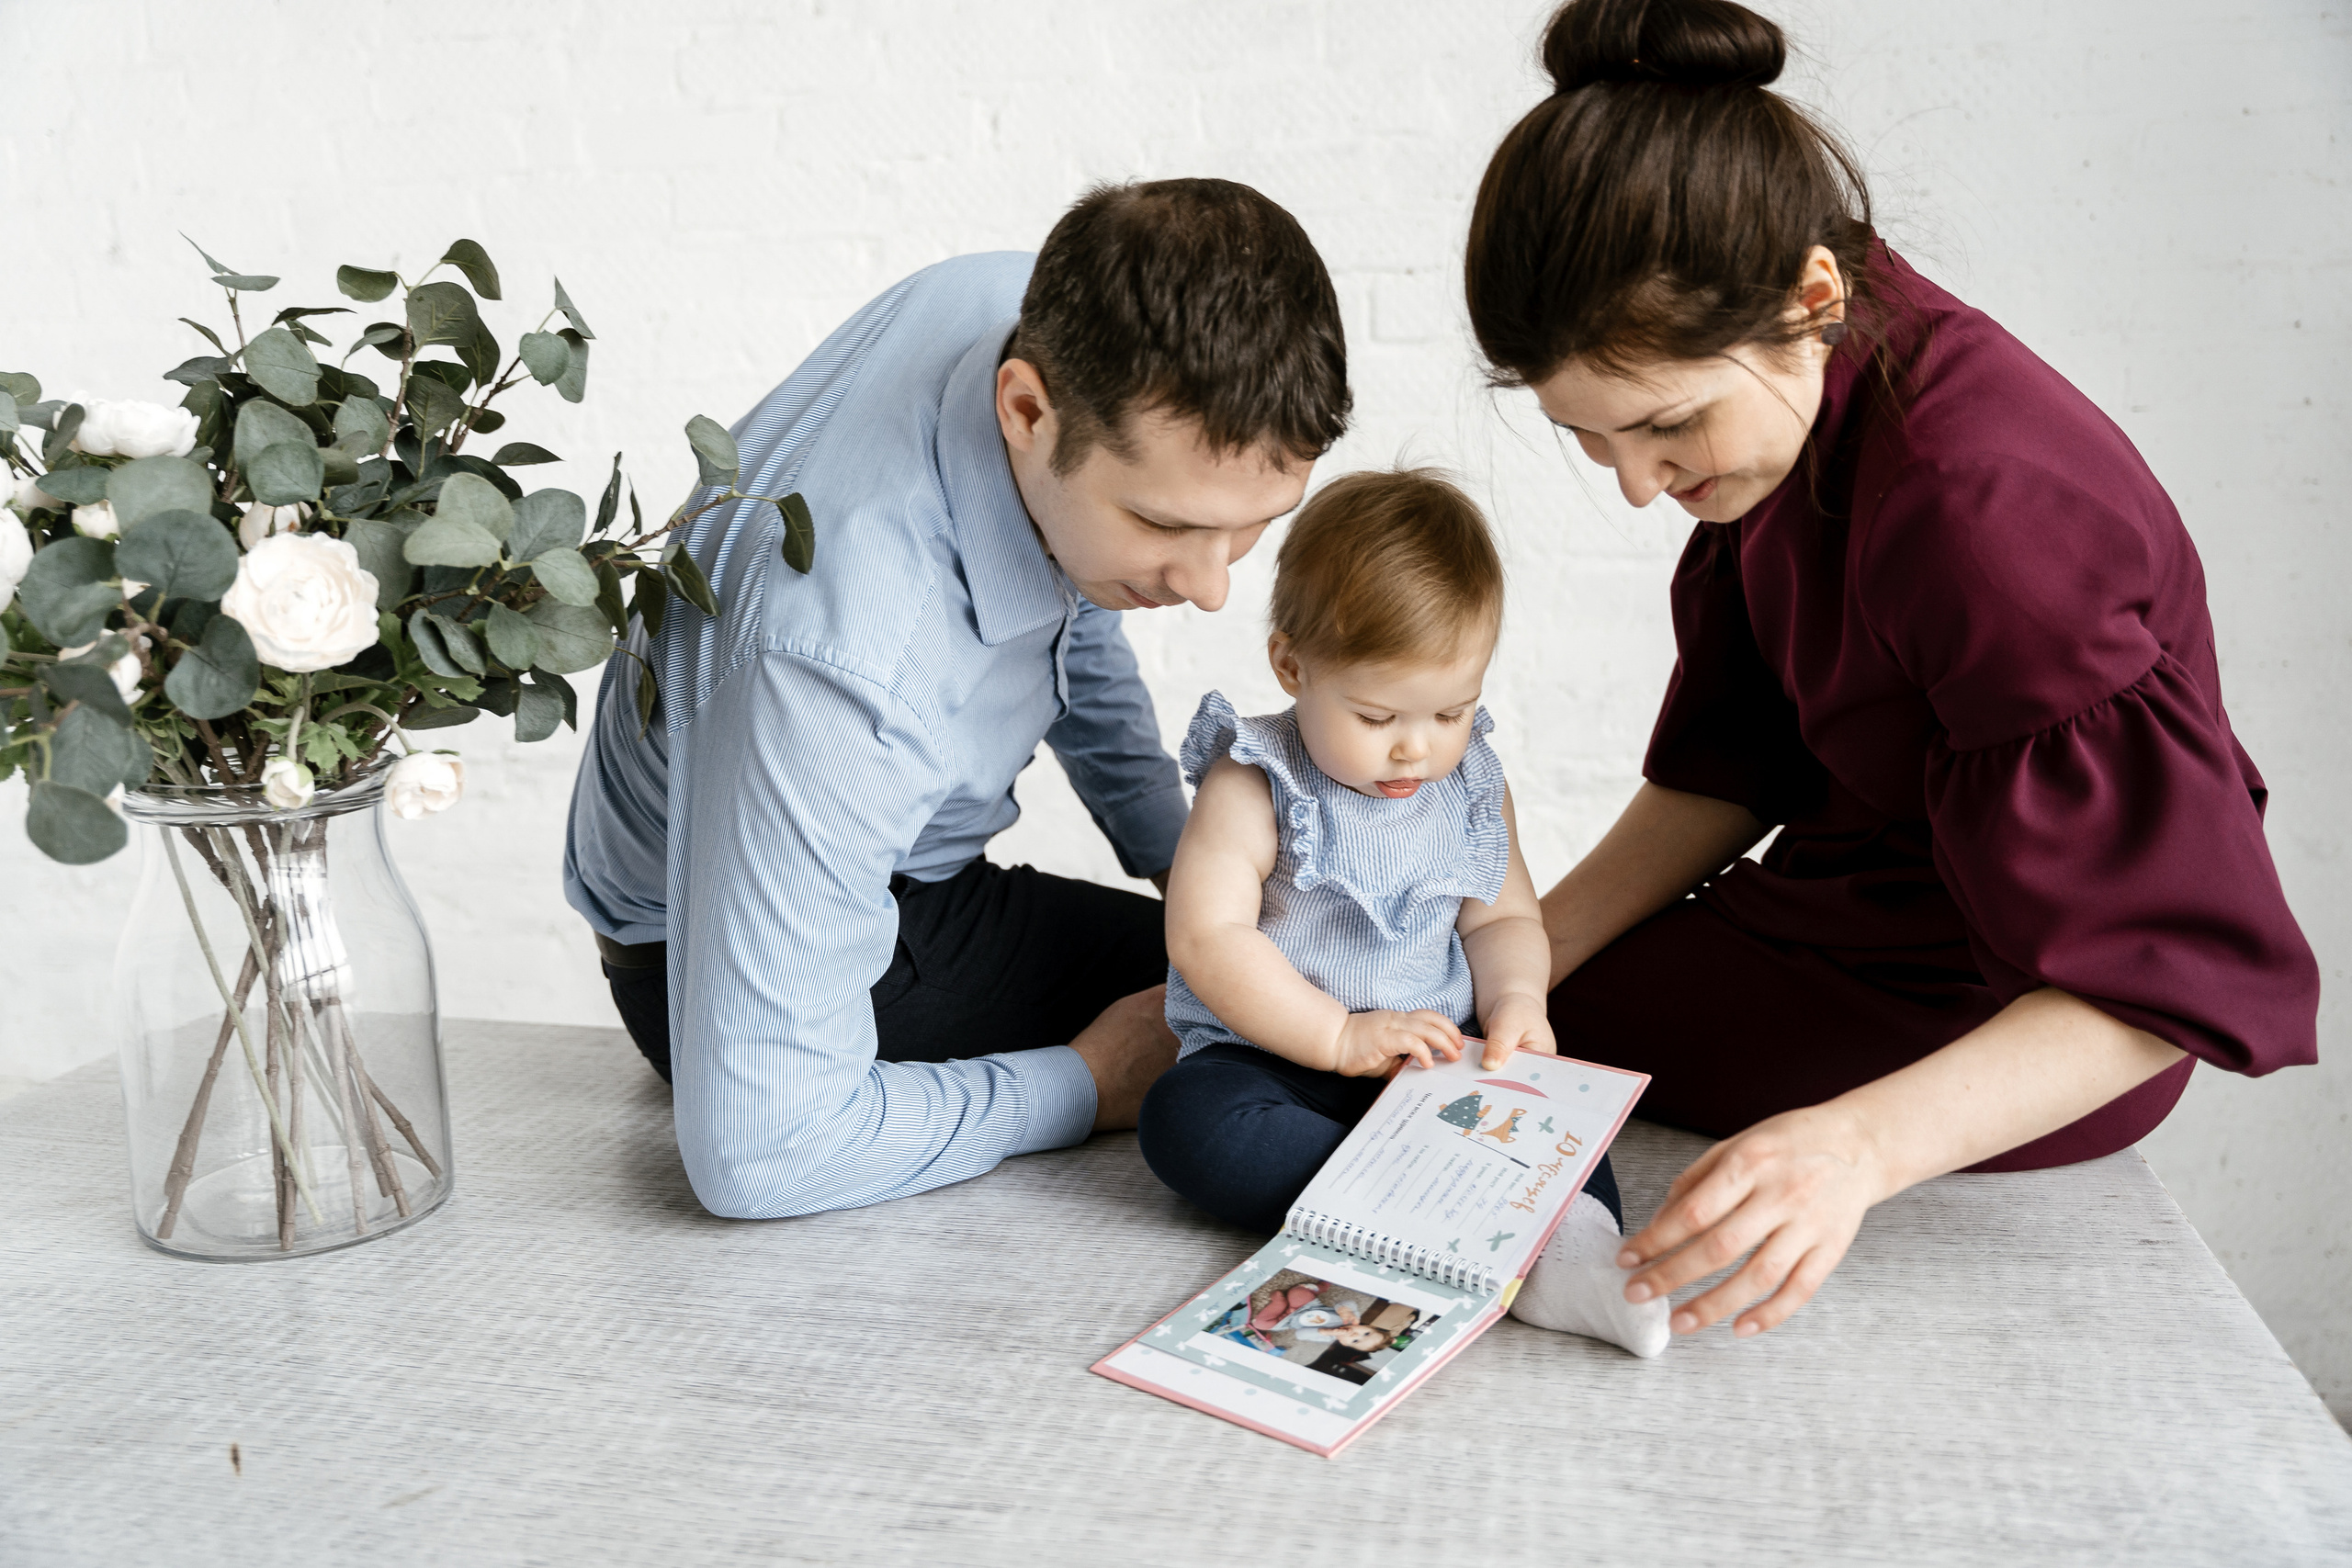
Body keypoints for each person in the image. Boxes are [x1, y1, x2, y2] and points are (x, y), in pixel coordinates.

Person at [1463, 0, 2321, 1341]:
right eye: (1591, 440)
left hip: (2039, 1006)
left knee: (1522, 1042)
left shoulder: (1983, 512)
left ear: (1810, 294)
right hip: (1851, 901)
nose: (1638, 487)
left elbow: (2171, 983)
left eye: (1665, 426)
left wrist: (1852, 1150)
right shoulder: (1806, 370)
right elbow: (1737, 759)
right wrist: (1510, 955)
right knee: (1489, 1011)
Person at [562, 179, 1351, 1219]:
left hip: (877, 857)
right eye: (1166, 527)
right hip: (707, 955)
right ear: (1025, 410)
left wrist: (1180, 859)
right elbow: (759, 1155)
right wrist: (1081, 1082)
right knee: (1293, 1016)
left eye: (1251, 527)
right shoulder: (838, 662)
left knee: (1294, 958)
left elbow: (1073, 596)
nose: (1211, 589)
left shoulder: (1021, 311)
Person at [1135, 469, 1668, 1357]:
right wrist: (1338, 1037)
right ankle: (1446, 1226)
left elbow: (1499, 921)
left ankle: (1572, 1251)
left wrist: (1516, 1005)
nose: (1416, 745)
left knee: (1563, 1130)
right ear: (1292, 664)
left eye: (1450, 711)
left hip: (1434, 1065)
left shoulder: (1465, 786)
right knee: (1188, 1125)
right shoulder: (1254, 779)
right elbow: (1207, 935)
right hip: (1278, 1062)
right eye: (1377, 714)